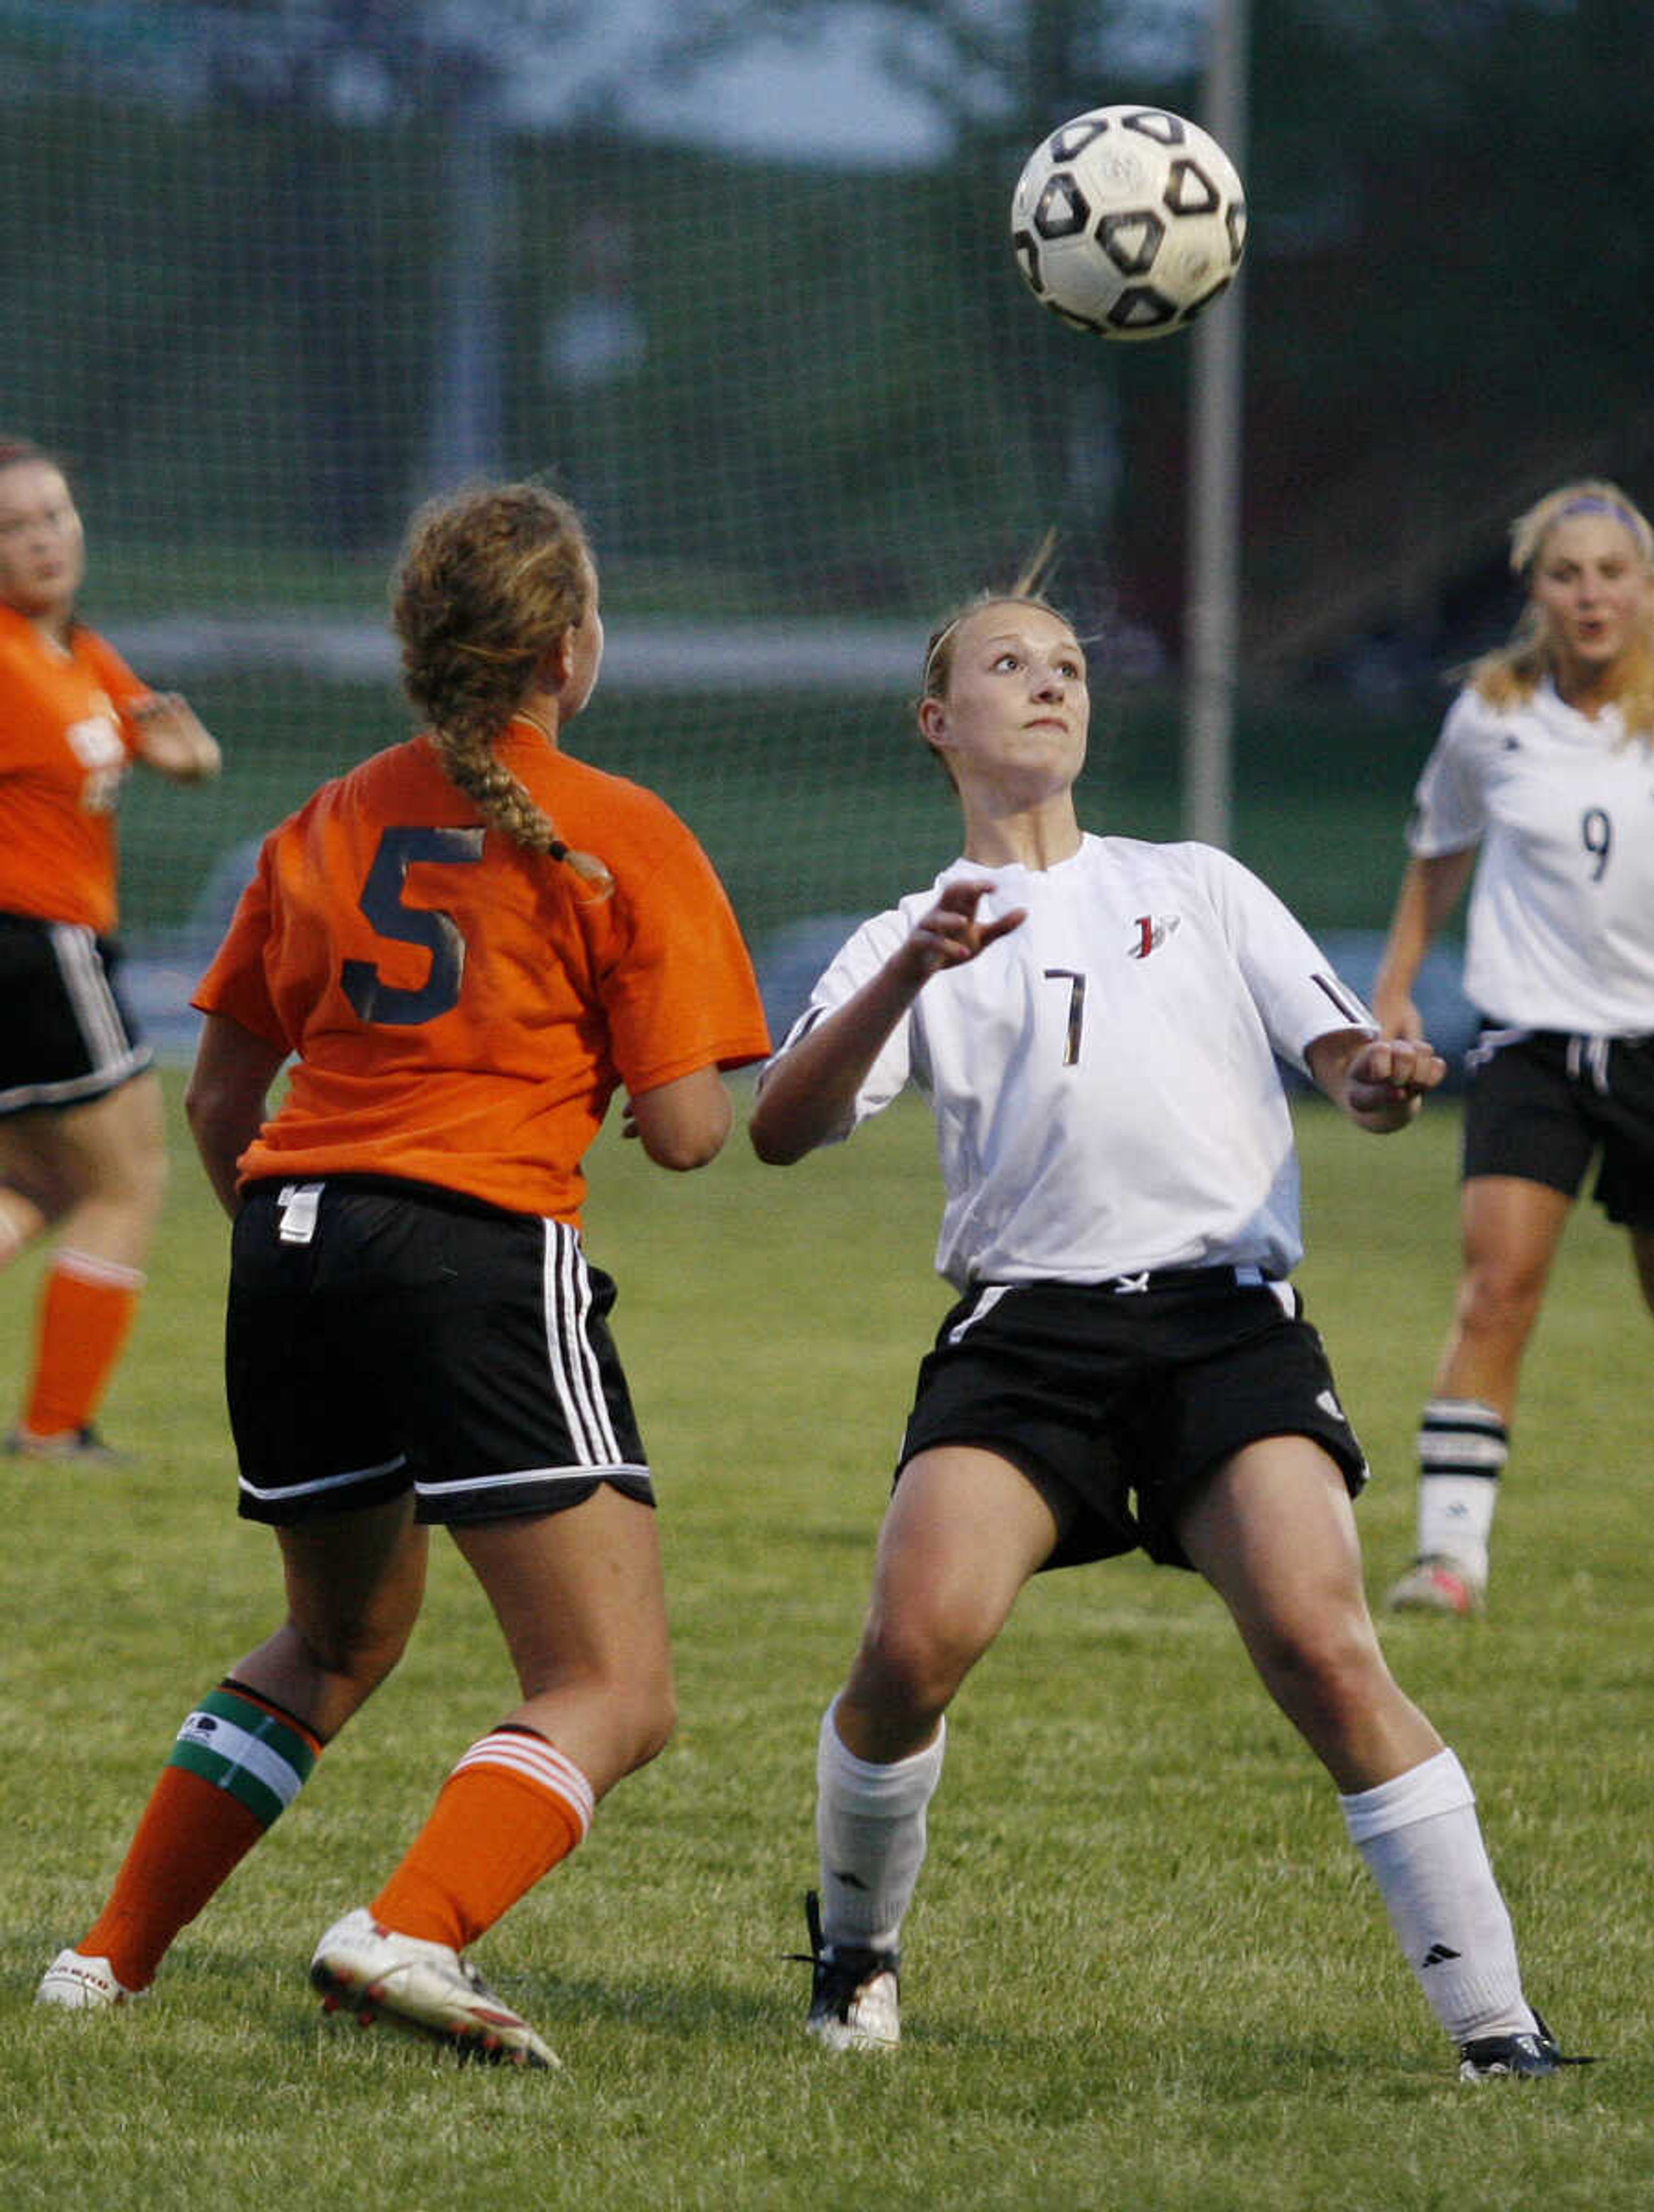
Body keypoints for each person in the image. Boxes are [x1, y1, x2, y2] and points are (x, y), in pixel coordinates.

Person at [748, 570, 1588, 2081]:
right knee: (907, 1646)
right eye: (1011, 663)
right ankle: (857, 1954)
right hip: (1026, 1342)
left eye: (1067, 662)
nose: (1051, 682)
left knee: (1326, 1644)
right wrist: (908, 978)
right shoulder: (912, 927)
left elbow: (1342, 1055)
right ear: (941, 722)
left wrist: (1379, 1075)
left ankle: (1497, 2028)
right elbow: (781, 1125)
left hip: (1224, 1325)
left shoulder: (1193, 879)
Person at [35, 481, 772, 2067]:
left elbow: (224, 1100)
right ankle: (406, 1928)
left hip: (289, 1242)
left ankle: (106, 1957)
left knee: (334, 1638)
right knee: (612, 1683)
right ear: (570, 649)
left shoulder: (324, 814)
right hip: (476, 1245)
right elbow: (696, 1130)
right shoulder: (622, 831)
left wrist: (317, 1244)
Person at [1376, 480, 1654, 1618]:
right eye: (1566, 572)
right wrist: (1394, 985)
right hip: (1531, 1039)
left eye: (1613, 572)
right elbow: (1439, 846)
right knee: (1498, 1287)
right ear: (1535, 587)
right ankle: (1450, 1559)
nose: (1591, 595)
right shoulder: (1490, 712)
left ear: (1645, 586)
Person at [0, 435, 221, 1460]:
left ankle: (51, 1425)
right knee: (125, 1182)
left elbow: (161, 736)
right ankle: (54, 1430)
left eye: (56, 516)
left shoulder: (75, 650)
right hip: (37, 947)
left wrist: (189, 756)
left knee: (39, 1189)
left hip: (46, 949)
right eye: (13, 526)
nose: (43, 539)